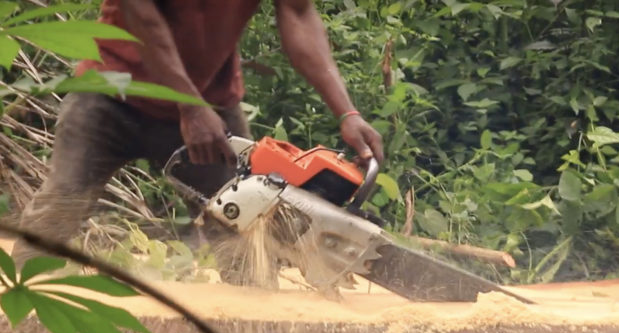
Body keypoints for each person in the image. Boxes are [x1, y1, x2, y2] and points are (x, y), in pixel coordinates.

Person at [12, 0, 384, 265]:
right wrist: (188, 106)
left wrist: (347, 112)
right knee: (57, 213)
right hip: (111, 94)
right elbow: (142, 14)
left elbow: (299, 16)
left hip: (212, 105)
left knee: (243, 236)